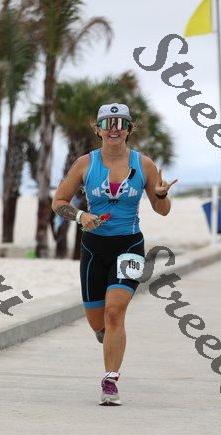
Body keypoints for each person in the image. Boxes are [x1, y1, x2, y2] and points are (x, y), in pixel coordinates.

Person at [52, 103, 178, 406]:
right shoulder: (85, 164)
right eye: (108, 123)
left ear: (129, 130)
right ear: (97, 129)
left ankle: (110, 381)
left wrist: (161, 195)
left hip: (129, 246)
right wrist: (80, 216)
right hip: (93, 249)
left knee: (114, 313)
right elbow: (59, 202)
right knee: (99, 323)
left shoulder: (144, 165)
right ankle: (107, 335)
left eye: (120, 123)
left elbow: (162, 210)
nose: (114, 129)